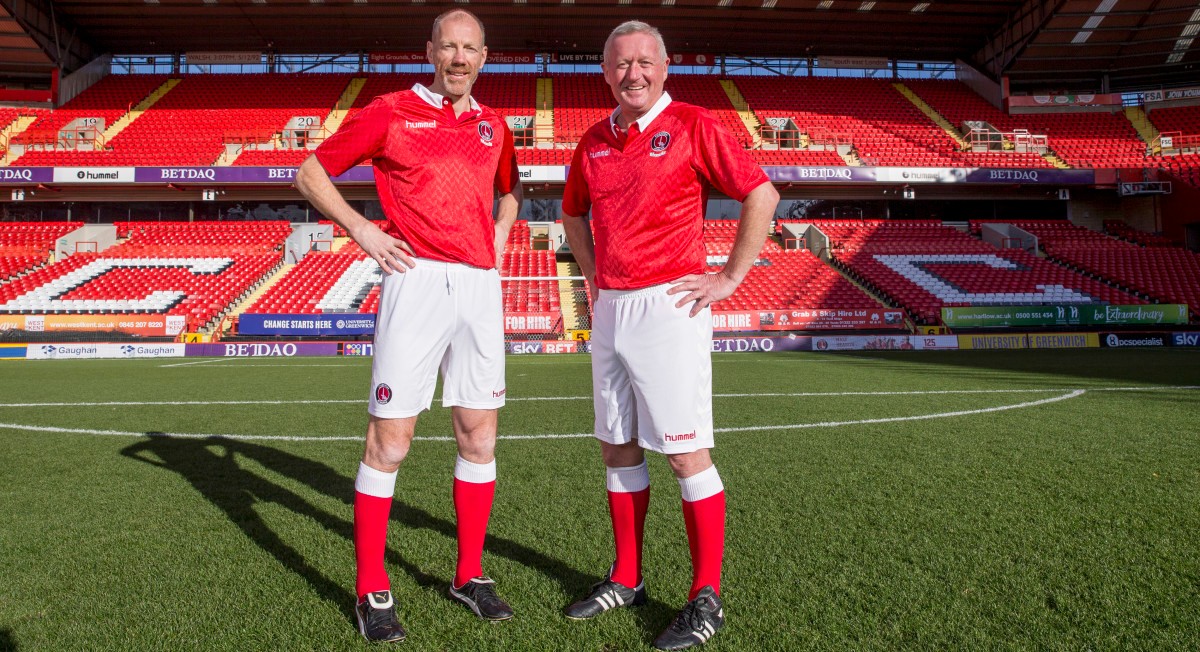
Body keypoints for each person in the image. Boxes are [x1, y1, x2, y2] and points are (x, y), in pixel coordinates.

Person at [294, 8, 522, 643]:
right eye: (447, 47)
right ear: (430, 50)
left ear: (484, 56)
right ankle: (371, 586)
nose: (457, 58)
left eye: (468, 49)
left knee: (479, 436)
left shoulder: (494, 124)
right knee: (390, 442)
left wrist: (500, 233)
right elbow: (310, 172)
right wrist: (364, 230)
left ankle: (468, 574)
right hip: (415, 281)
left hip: (477, 287)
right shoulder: (390, 110)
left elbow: (510, 191)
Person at [560, 20, 779, 651]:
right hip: (613, 308)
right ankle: (626, 578)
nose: (633, 73)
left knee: (685, 454)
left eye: (644, 62)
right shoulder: (593, 141)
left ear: (665, 66)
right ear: (606, 73)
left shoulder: (694, 124)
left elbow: (760, 195)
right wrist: (595, 276)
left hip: (671, 303)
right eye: (620, 64)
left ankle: (705, 597)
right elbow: (572, 210)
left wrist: (730, 276)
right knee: (618, 447)